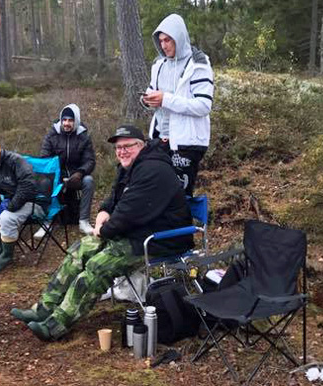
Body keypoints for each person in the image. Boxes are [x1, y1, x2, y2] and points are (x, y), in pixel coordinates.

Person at [10, 125, 193, 341]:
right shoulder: (130, 166)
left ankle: (57, 323)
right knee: (79, 250)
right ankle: (44, 307)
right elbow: (114, 199)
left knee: (98, 266)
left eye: (127, 146)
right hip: (136, 233)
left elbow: (128, 214)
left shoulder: (153, 170)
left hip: (162, 240)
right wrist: (104, 211)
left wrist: (103, 231)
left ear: (141, 146)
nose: (122, 151)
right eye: (118, 148)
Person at [141, 13, 214, 196]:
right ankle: (159, 225)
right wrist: (147, 100)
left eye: (168, 40)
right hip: (159, 139)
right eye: (161, 41)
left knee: (179, 196)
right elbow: (152, 91)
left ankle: (183, 224)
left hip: (187, 142)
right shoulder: (159, 65)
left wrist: (165, 99)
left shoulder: (198, 64)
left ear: (179, 38)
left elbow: (203, 105)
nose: (163, 45)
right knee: (153, 190)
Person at [0, 134, 43, 273]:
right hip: (9, 202)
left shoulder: (15, 161)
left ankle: (7, 256)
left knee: (6, 217)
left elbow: (28, 186)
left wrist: (9, 207)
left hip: (33, 203)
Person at [37, 103, 97, 236]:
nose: (67, 123)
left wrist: (80, 173)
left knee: (89, 180)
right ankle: (47, 222)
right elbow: (45, 158)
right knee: (44, 183)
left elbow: (90, 160)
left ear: (76, 121)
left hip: (76, 176)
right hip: (56, 177)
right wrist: (57, 175)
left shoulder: (84, 136)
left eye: (70, 120)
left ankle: (84, 221)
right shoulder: (52, 135)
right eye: (64, 120)